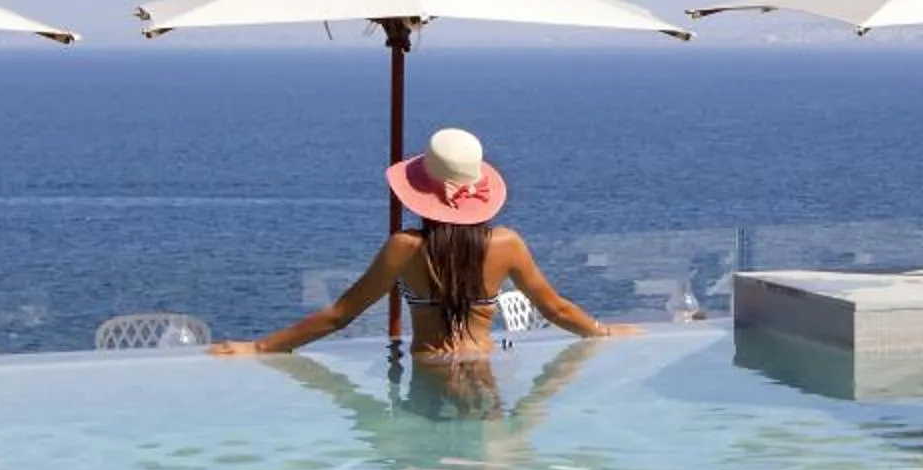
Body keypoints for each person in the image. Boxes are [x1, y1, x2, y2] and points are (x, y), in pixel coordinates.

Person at [209, 128, 637, 359]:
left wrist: (260, 346)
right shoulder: (507, 243)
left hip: (431, 370)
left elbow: (339, 316)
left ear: (422, 191)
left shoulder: (405, 247)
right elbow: (556, 308)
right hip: (484, 364)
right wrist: (603, 331)